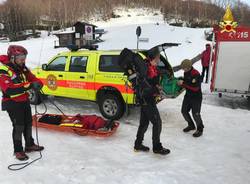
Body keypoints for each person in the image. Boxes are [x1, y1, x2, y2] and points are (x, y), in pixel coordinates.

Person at [0, 45, 44, 161]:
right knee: (19, 126)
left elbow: (32, 77)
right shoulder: (3, 69)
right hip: (11, 102)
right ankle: (18, 150)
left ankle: (29, 145)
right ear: (12, 57)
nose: (23, 60)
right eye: (20, 57)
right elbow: (9, 89)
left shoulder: (22, 67)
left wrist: (37, 83)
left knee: (28, 123)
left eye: (24, 57)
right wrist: (29, 85)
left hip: (24, 100)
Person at [134, 47, 170, 155]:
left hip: (146, 100)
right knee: (157, 123)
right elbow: (144, 88)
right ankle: (157, 147)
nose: (159, 59)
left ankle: (138, 144)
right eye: (158, 57)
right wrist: (156, 89)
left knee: (144, 123)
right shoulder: (145, 69)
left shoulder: (151, 67)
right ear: (153, 57)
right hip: (147, 100)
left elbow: (152, 81)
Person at [177, 59, 204, 137]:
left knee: (196, 114)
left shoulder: (196, 74)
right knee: (184, 111)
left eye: (183, 68)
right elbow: (186, 82)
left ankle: (200, 129)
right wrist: (181, 82)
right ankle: (191, 125)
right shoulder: (186, 72)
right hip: (188, 96)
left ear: (188, 67)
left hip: (196, 97)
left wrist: (184, 83)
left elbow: (195, 88)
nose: (183, 69)